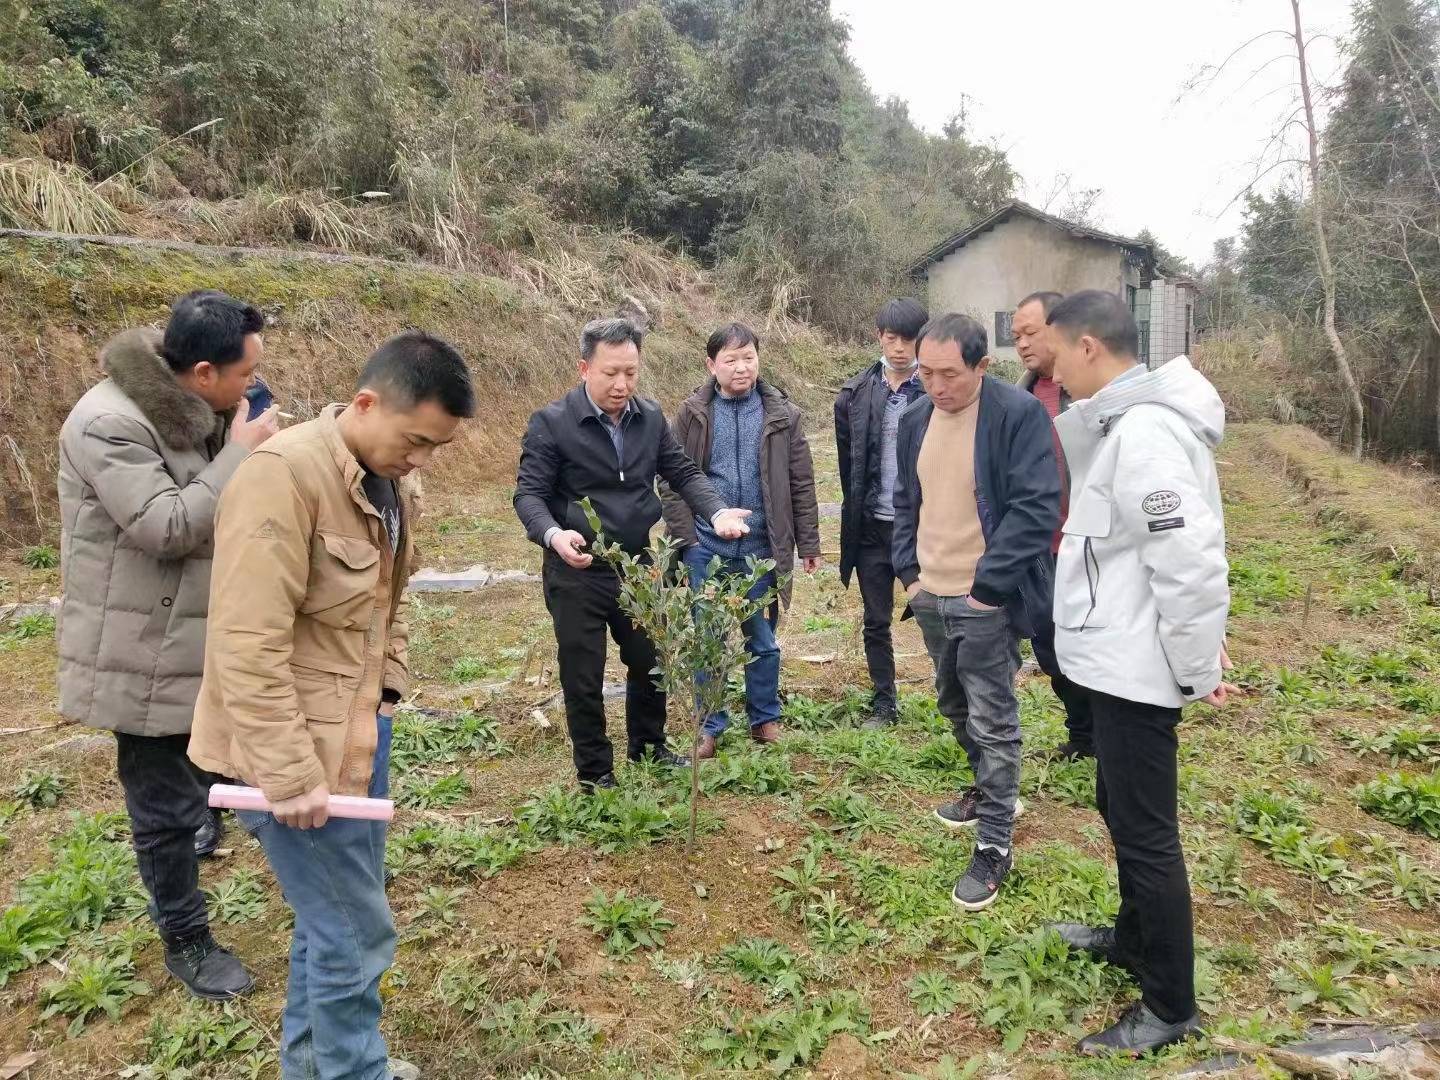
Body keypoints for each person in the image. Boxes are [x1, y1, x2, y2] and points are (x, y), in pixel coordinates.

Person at [188, 331, 476, 1080]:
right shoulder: (282, 478)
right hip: (290, 759)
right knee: (354, 930)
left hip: (353, 740)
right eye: (415, 441)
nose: (421, 461)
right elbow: (246, 643)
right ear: (367, 402)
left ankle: (313, 1065)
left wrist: (386, 697)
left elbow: (392, 602)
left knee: (330, 923)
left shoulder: (390, 481)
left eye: (435, 448)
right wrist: (288, 775)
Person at [57, 290, 279, 1000]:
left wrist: (243, 432)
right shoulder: (106, 424)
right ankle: (185, 939)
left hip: (206, 634)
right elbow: (169, 525)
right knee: (160, 812)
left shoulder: (203, 402)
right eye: (246, 375)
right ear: (205, 371)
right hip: (142, 646)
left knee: (231, 771)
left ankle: (234, 834)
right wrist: (242, 452)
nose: (256, 387)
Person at [1041, 290, 1234, 1055]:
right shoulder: (1125, 425)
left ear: (1089, 347)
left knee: (1148, 836)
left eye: (1056, 354)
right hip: (1115, 659)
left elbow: (1187, 563)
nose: (1051, 370)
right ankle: (1131, 939)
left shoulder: (1148, 433)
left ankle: (1170, 1005)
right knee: (1120, 810)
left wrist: (1193, 670)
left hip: (1139, 672)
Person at [514, 317, 752, 792]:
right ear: (584, 368)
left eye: (631, 372)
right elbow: (529, 495)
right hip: (577, 569)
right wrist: (553, 535)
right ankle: (595, 772)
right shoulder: (553, 424)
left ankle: (649, 745)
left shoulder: (650, 418)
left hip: (640, 567)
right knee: (582, 673)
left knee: (650, 661)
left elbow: (682, 473)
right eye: (610, 373)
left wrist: (718, 511)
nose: (622, 384)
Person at [892, 313, 1059, 911]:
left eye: (950, 374)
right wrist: (909, 575)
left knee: (991, 713)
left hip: (983, 596)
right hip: (931, 592)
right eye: (926, 373)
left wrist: (988, 587)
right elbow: (906, 500)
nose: (937, 386)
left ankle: (994, 842)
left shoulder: (1016, 416)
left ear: (982, 366)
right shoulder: (915, 420)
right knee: (951, 700)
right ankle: (989, 791)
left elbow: (1037, 508)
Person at [662, 322, 822, 758]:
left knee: (763, 640)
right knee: (708, 639)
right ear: (711, 364)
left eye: (748, 357)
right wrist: (686, 542)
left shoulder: (782, 416)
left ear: (759, 359)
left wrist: (807, 544)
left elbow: (801, 483)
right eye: (730, 359)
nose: (741, 367)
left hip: (760, 551)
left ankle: (764, 718)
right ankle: (709, 725)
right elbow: (673, 483)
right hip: (706, 549)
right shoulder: (692, 414)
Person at [834, 298, 930, 728]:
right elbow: (847, 468)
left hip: (921, 527)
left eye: (908, 340)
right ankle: (884, 702)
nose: (898, 348)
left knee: (937, 615)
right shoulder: (855, 394)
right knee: (876, 620)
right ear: (879, 338)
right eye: (891, 339)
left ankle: (958, 699)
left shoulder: (935, 392)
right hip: (872, 527)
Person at [1013, 290, 1094, 760]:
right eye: (1017, 335)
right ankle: (1083, 733)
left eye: (1031, 332)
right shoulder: (1018, 393)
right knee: (1048, 641)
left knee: (1089, 639)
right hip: (1039, 543)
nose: (1022, 343)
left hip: (1086, 541)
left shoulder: (1086, 392)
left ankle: (1100, 732)